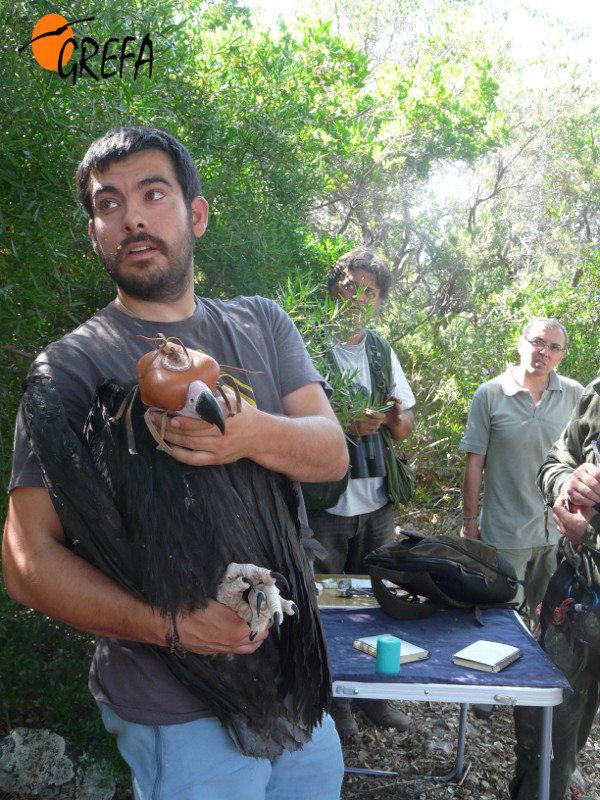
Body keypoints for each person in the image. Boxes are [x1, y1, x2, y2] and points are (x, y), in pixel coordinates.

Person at [2, 126, 349, 800]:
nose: (131, 216)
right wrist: (171, 627)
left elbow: (330, 452)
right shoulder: (70, 370)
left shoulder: (262, 324)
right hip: (174, 707)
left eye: (153, 194)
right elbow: (24, 563)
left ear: (195, 214)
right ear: (95, 234)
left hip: (292, 681)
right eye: (108, 204)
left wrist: (245, 434)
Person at [304, 247, 416, 738]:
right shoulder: (306, 345)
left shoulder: (381, 349)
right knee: (325, 600)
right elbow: (293, 420)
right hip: (326, 499)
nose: (358, 297)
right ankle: (334, 702)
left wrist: (391, 417)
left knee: (376, 597)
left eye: (369, 291)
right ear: (334, 288)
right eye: (351, 286)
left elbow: (406, 426)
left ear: (379, 301)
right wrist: (337, 425)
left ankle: (373, 696)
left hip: (377, 501)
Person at [460, 318, 583, 626]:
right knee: (503, 623)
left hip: (558, 533)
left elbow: (587, 461)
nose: (544, 351)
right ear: (521, 344)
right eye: (537, 342)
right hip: (505, 533)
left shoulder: (575, 395)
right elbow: (475, 463)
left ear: (562, 356)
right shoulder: (490, 394)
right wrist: (469, 521)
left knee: (552, 625)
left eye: (554, 347)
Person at [510, 379, 600, 800]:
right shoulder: (598, 392)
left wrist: (594, 531)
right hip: (575, 592)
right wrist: (567, 485)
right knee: (543, 741)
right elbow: (555, 461)